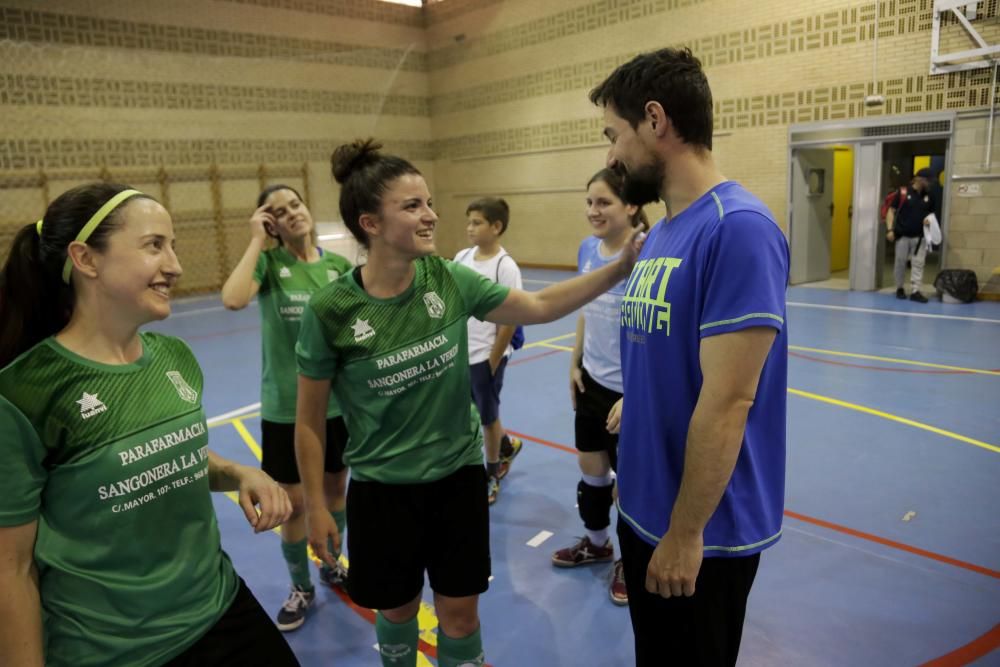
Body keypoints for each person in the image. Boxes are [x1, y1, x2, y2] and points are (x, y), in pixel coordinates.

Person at [294, 139, 643, 667]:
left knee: (461, 617)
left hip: (457, 481)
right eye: (413, 206)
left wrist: (619, 270)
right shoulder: (331, 310)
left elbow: (540, 304)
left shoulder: (447, 279)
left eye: (429, 202)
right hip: (383, 494)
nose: (431, 215)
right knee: (396, 613)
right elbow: (310, 422)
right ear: (370, 223)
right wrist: (319, 507)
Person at [0, 183, 298, 667]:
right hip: (116, 650)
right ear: (86, 259)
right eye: (154, 245)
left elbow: (168, 452)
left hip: (219, 608)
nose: (175, 265)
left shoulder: (172, 357)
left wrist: (239, 473)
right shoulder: (24, 395)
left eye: (173, 246)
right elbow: (9, 570)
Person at [590, 48, 789, 666]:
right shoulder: (666, 232)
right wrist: (640, 399)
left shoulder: (738, 228)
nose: (611, 157)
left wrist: (685, 533)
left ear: (656, 121)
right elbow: (670, 351)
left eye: (613, 135)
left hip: (704, 530)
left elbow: (730, 400)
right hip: (644, 507)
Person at [221, 185, 353, 631]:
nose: (291, 213)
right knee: (295, 506)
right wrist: (257, 240)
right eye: (278, 212)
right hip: (287, 410)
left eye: (295, 204)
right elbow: (234, 298)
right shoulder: (270, 265)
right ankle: (302, 586)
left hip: (338, 407)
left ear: (307, 209)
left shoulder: (338, 267)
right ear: (270, 222)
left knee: (336, 492)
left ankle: (331, 561)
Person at [551, 168, 648, 607]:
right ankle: (597, 543)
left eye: (604, 202)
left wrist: (637, 395)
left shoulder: (646, 253)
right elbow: (587, 309)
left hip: (632, 396)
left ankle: (631, 560)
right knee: (592, 477)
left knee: (630, 487)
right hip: (591, 382)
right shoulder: (588, 249)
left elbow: (657, 333)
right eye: (589, 202)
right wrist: (574, 363)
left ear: (630, 205)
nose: (593, 210)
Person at [453, 197, 524, 505]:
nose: (470, 228)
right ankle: (506, 446)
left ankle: (492, 473)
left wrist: (493, 361)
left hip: (486, 356)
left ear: (496, 227)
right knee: (473, 410)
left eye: (477, 222)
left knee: (486, 416)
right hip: (461, 354)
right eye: (468, 222)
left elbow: (509, 320)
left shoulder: (504, 267)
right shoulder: (462, 257)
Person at [886, 167, 937, 303]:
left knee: (918, 264)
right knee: (900, 263)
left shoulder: (930, 196)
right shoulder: (903, 192)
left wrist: (929, 220)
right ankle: (900, 288)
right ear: (920, 179)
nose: (930, 183)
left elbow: (931, 215)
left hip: (920, 237)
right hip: (902, 235)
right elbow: (891, 211)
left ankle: (915, 291)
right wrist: (890, 230)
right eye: (928, 180)